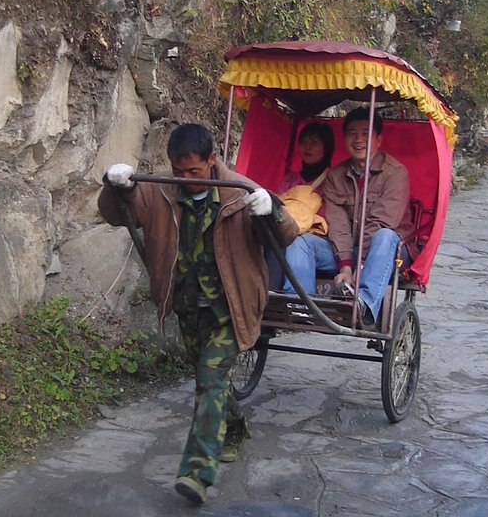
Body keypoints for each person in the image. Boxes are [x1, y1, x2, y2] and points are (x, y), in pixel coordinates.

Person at [97, 123, 298, 505]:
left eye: (195, 171)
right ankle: (234, 428)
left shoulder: (239, 191)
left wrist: (269, 209)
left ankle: (197, 472)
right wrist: (117, 187)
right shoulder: (160, 191)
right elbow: (118, 214)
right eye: (179, 171)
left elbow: (286, 233)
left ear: (211, 160)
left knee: (209, 378)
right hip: (187, 305)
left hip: (231, 305)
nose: (187, 179)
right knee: (210, 379)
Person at [282, 107, 417, 328]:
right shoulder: (336, 176)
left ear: (379, 139)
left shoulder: (396, 173)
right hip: (349, 250)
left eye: (366, 133)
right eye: (352, 133)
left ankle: (363, 303)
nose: (358, 139)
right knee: (302, 240)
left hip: (389, 250)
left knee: (384, 235)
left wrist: (360, 267)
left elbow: (383, 222)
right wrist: (345, 265)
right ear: (345, 138)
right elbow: (338, 224)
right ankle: (300, 303)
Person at [268, 122, 335, 290]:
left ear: (326, 147)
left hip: (319, 241)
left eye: (314, 143)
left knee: (289, 241)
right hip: (287, 231)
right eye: (303, 142)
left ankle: (288, 300)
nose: (307, 147)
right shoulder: (291, 180)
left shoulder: (334, 181)